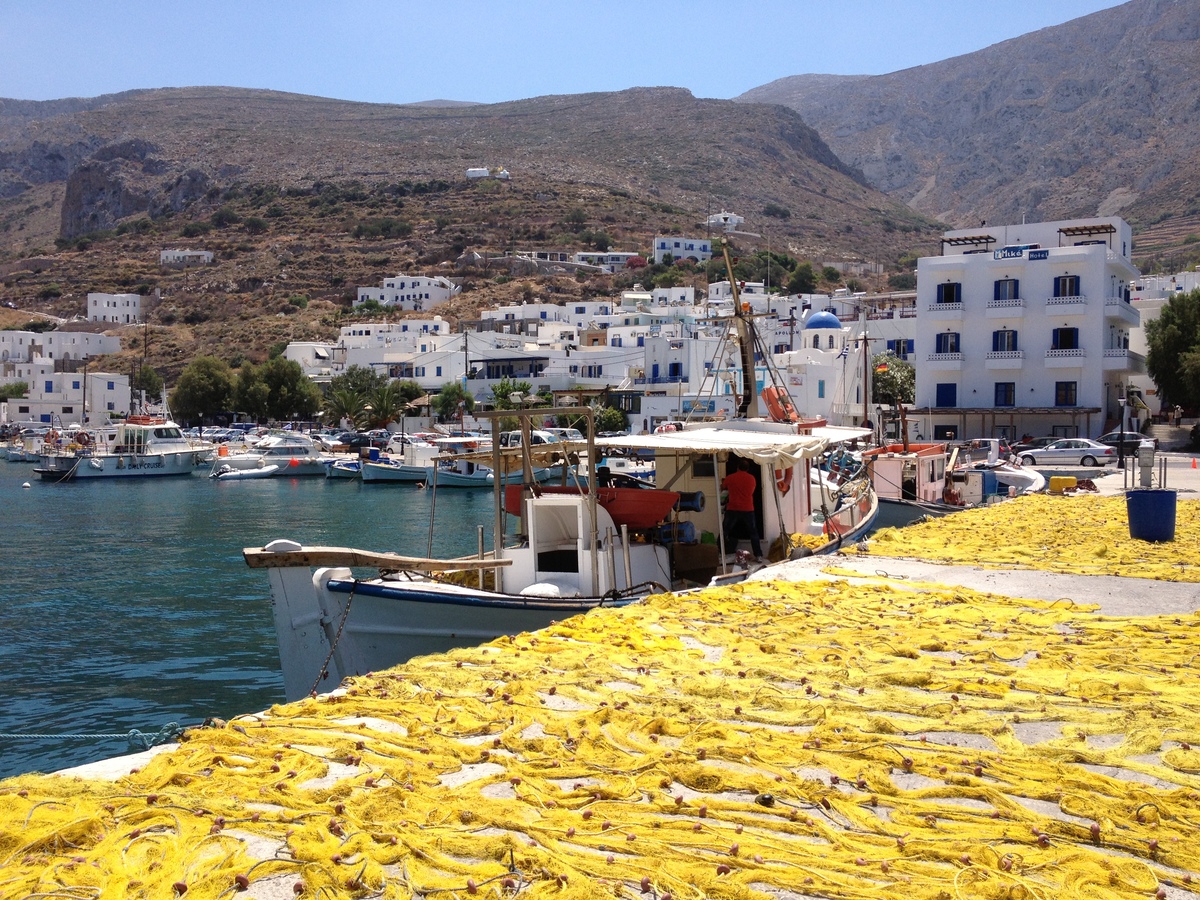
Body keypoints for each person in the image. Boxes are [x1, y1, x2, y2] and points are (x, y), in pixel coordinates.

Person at [721, 457, 763, 559]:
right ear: (748, 468)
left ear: (737, 467)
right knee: (753, 533)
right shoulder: (752, 478)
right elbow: (752, 491)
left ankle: (719, 552)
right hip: (748, 508)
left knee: (725, 531)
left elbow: (723, 487)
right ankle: (758, 555)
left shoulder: (730, 477)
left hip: (733, 507)